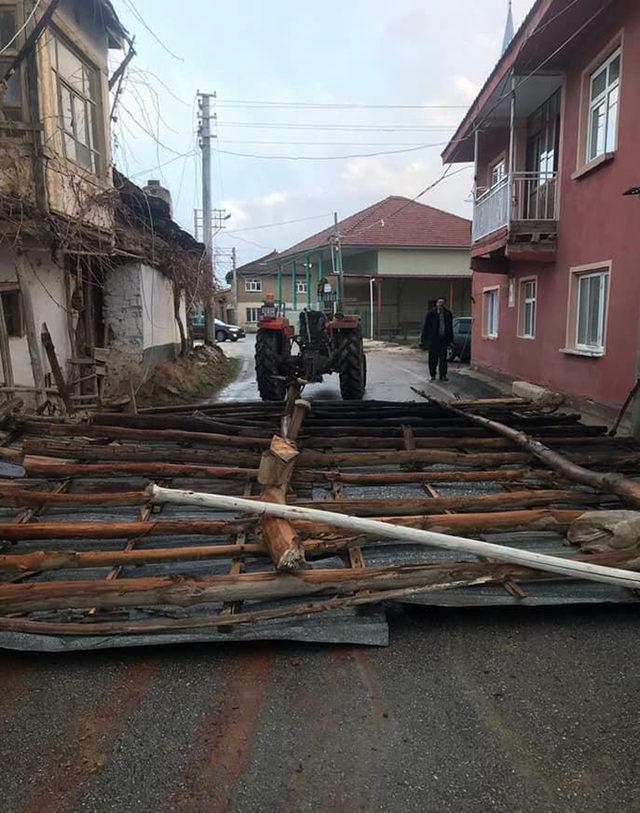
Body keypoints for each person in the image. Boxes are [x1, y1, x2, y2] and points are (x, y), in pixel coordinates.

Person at [420, 297, 454, 381]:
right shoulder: (431, 313)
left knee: (443, 359)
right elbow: (426, 326)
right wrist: (424, 339)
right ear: (436, 303)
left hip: (443, 339)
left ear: (444, 304)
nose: (441, 304)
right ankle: (433, 374)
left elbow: (450, 328)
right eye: (439, 302)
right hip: (433, 340)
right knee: (433, 358)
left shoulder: (448, 314)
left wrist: (451, 340)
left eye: (442, 302)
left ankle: (443, 375)